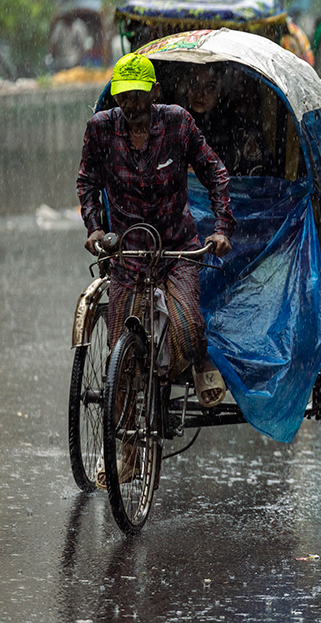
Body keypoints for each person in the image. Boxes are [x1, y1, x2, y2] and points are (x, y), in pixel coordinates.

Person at [77, 53, 235, 486]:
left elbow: (216, 174)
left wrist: (221, 227)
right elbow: (87, 179)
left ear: (155, 93)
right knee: (120, 360)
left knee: (186, 326)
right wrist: (94, 228)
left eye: (138, 94)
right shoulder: (101, 130)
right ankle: (128, 453)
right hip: (128, 254)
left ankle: (200, 358)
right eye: (123, 95)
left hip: (177, 248)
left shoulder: (179, 123)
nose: (130, 104)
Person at [182, 64, 269, 176]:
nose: (200, 93)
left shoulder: (239, 129)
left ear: (222, 91)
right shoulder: (179, 120)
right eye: (194, 84)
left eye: (210, 87)